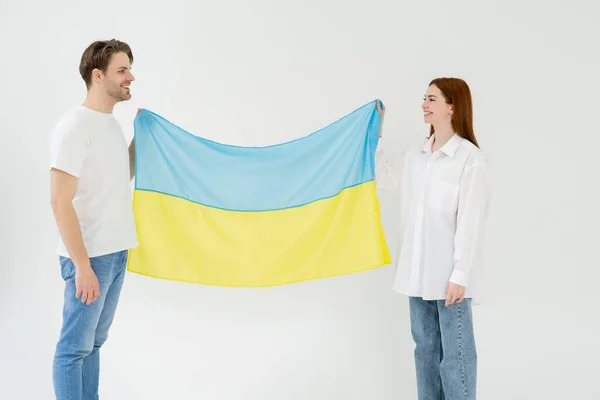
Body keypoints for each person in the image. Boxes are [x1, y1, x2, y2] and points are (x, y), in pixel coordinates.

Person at [375, 78, 491, 400]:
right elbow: (380, 173)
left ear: (452, 107)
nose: (424, 104)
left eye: (432, 99)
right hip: (417, 274)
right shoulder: (417, 156)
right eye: (424, 98)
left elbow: (470, 222)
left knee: (456, 358)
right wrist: (376, 129)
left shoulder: (470, 160)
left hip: (449, 277)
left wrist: (460, 274)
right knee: (425, 351)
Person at [49, 39, 138, 400]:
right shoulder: (75, 127)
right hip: (90, 258)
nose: (131, 76)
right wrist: (82, 266)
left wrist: (142, 141)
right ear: (97, 76)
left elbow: (119, 178)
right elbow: (59, 201)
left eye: (130, 69)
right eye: (122, 70)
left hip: (116, 253)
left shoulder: (111, 125)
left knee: (94, 345)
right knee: (73, 351)